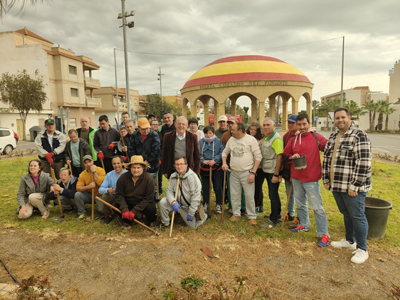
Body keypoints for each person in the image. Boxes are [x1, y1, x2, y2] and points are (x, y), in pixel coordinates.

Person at [323, 107, 372, 263]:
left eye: (343, 117)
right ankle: (349, 241)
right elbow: (326, 159)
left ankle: (362, 249)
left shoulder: (359, 136)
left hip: (352, 187)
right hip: (337, 184)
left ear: (350, 118)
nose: (340, 120)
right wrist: (326, 179)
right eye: (337, 118)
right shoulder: (333, 136)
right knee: (346, 213)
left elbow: (363, 163)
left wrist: (355, 185)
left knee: (357, 216)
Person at [283, 113, 330, 247]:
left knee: (316, 206)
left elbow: (329, 151)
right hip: (297, 177)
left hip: (311, 178)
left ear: (309, 123)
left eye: (304, 124)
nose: (302, 127)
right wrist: (293, 156)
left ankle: (324, 233)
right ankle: (304, 224)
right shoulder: (293, 139)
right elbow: (285, 155)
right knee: (300, 203)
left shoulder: (316, 137)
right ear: (296, 125)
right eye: (299, 124)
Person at [222, 123, 261, 227]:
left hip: (247, 172)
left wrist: (253, 172)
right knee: (234, 194)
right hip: (234, 172)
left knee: (249, 195)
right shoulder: (231, 139)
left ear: (240, 131)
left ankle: (252, 216)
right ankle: (236, 214)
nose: (231, 131)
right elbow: (224, 153)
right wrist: (224, 163)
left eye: (233, 130)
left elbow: (258, 157)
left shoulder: (251, 140)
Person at [159, 157, 208, 228]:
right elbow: (169, 191)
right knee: (163, 202)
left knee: (193, 226)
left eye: (181, 164)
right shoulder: (173, 176)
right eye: (177, 164)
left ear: (186, 165)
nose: (179, 166)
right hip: (177, 204)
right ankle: (166, 223)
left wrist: (191, 213)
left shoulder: (192, 177)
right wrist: (173, 202)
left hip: (189, 207)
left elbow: (196, 197)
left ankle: (205, 216)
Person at [114, 156, 157, 226]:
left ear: (143, 168)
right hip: (128, 203)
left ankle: (147, 219)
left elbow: (149, 198)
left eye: (138, 168)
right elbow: (119, 195)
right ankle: (129, 220)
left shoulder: (149, 179)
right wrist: (124, 209)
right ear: (130, 168)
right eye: (133, 167)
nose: (136, 170)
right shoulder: (122, 178)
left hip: (143, 203)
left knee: (151, 207)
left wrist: (135, 210)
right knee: (115, 205)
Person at [257, 118, 283, 229]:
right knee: (273, 194)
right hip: (266, 169)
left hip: (272, 171)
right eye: (264, 125)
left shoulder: (276, 139)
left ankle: (273, 221)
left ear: (274, 125)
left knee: (273, 196)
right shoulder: (267, 138)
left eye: (268, 125)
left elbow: (279, 157)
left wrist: (276, 174)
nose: (266, 127)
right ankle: (277, 214)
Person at [128, 118, 160, 199]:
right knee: (139, 184)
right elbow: (131, 149)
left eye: (147, 128)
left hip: (151, 165)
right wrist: (136, 162)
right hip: (137, 165)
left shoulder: (154, 135)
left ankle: (153, 201)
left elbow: (156, 150)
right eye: (143, 129)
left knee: (152, 185)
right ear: (138, 128)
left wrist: (147, 162)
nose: (146, 131)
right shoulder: (134, 135)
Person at [220, 116, 246, 215]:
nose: (230, 125)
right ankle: (231, 207)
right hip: (230, 166)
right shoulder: (226, 136)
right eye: (229, 123)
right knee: (231, 188)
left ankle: (243, 208)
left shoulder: (243, 136)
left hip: (243, 167)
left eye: (232, 123)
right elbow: (224, 151)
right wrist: (224, 163)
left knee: (242, 189)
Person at [199, 126, 225, 213]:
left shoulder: (218, 141)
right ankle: (206, 203)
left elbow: (222, 152)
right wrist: (203, 160)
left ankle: (218, 204)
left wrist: (214, 160)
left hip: (216, 168)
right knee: (205, 187)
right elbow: (198, 154)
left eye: (210, 133)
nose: (208, 135)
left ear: (213, 133)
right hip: (204, 168)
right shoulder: (200, 142)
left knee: (217, 186)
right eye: (206, 133)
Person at [74, 155, 106, 221]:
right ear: (84, 164)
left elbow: (102, 184)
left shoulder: (100, 170)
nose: (88, 164)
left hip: (100, 195)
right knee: (78, 194)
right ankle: (82, 213)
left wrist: (94, 172)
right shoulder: (82, 174)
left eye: (89, 162)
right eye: (86, 163)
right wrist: (88, 186)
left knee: (102, 211)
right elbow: (78, 188)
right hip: (90, 194)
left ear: (93, 161)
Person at [99, 156, 127, 224]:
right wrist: (108, 190)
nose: (116, 165)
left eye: (118, 163)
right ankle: (108, 215)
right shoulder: (109, 175)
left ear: (122, 163)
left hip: (126, 197)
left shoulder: (128, 173)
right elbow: (100, 189)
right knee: (105, 196)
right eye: (114, 164)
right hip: (114, 196)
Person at [282, 114, 298, 224]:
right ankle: (291, 213)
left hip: (297, 170)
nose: (290, 125)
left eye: (293, 123)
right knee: (289, 193)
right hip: (287, 169)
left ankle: (301, 216)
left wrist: (294, 173)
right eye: (289, 122)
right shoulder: (286, 135)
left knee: (300, 195)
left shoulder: (300, 136)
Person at [246, 121, 264, 214]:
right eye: (250, 129)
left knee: (257, 187)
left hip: (259, 167)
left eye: (254, 130)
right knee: (254, 187)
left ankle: (257, 206)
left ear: (258, 131)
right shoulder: (247, 138)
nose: (252, 131)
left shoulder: (260, 140)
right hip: (249, 166)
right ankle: (260, 205)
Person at [151, 119, 163, 196]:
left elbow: (163, 147)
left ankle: (159, 192)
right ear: (150, 126)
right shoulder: (149, 135)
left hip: (159, 159)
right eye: (154, 124)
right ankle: (152, 193)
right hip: (151, 159)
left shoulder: (161, 135)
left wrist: (161, 158)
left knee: (159, 177)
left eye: (157, 124)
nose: (156, 125)